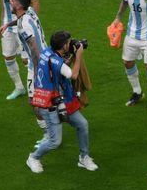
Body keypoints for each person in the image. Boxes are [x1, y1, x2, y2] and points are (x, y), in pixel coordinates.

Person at [26, 31, 98, 173]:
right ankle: (33, 158)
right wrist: (78, 55)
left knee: (82, 124)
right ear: (63, 46)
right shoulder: (56, 61)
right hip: (50, 105)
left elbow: (57, 67)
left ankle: (84, 157)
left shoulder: (47, 52)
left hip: (60, 99)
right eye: (68, 42)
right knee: (54, 141)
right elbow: (73, 74)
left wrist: (69, 56)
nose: (70, 44)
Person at [111, 0, 147, 109]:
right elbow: (125, 0)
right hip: (132, 34)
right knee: (127, 62)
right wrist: (118, 17)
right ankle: (137, 92)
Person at [9, 0, 48, 147]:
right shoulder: (30, 11)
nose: (11, 2)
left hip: (38, 65)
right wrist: (7, 25)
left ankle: (49, 135)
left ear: (19, 6)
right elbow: (21, 20)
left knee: (35, 102)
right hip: (46, 59)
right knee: (45, 99)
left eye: (14, 1)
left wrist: (37, 74)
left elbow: (34, 49)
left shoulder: (24, 26)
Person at [0, 0, 39, 100]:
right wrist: (2, 23)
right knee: (8, 57)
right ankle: (19, 87)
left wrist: (32, 22)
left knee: (27, 60)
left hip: (22, 26)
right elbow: (3, 2)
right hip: (7, 26)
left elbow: (35, 2)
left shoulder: (26, 23)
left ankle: (38, 89)